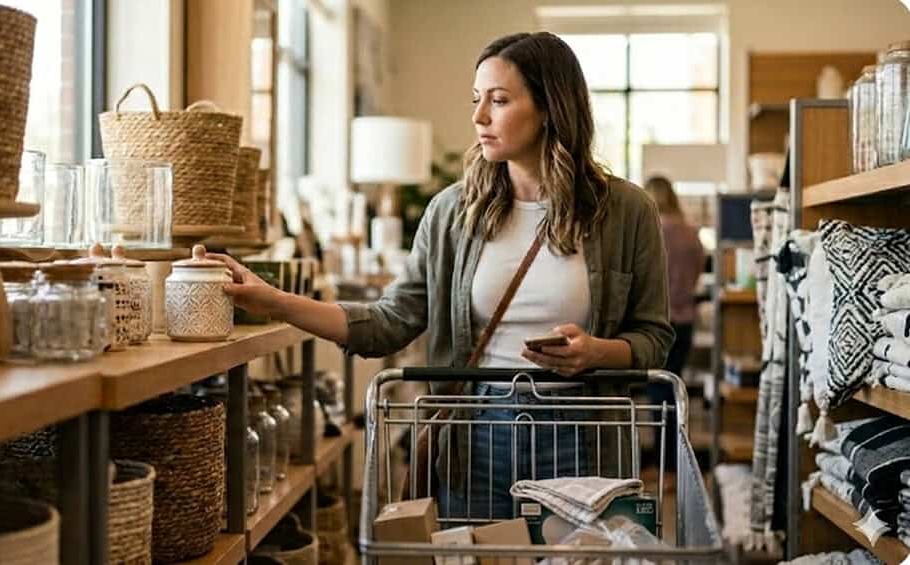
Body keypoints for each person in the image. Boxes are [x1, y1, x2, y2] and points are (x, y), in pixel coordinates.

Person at [212, 32, 673, 519]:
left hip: (584, 432)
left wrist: (598, 354)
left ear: (550, 108)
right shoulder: (453, 212)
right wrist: (272, 300)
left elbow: (653, 337)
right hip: (475, 434)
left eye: (499, 100)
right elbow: (389, 322)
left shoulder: (625, 211)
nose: (479, 117)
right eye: (477, 100)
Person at [643, 175, 705, 469]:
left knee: (658, 396)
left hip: (657, 323)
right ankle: (676, 466)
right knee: (675, 392)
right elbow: (696, 276)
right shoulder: (691, 233)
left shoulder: (652, 230)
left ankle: (662, 467)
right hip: (686, 320)